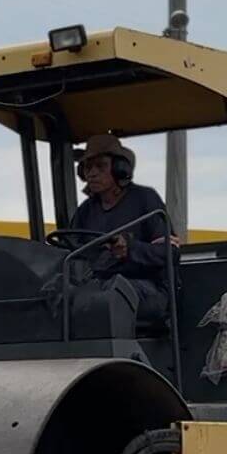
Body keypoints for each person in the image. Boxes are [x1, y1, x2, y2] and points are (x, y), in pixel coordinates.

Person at [68, 133, 178, 318]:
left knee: (106, 296)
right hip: (99, 285)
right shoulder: (85, 211)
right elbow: (70, 250)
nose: (92, 173)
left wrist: (130, 249)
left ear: (120, 169)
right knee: (56, 295)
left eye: (100, 166)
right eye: (87, 167)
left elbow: (170, 252)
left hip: (149, 288)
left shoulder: (145, 199)